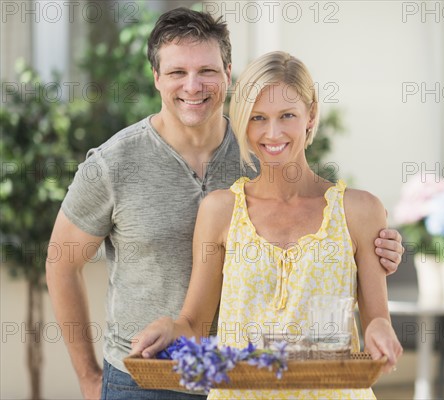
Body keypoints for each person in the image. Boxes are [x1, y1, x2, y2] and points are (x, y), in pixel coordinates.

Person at [45, 7, 404, 400]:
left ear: (227, 73)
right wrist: (89, 378)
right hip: (147, 378)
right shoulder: (115, 164)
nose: (193, 86)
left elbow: (345, 249)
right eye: (178, 72)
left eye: (207, 71)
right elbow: (62, 264)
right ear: (157, 78)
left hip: (241, 381)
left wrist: (375, 250)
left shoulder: (259, 149)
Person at [132, 51, 403, 400]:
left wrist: (381, 333)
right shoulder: (219, 210)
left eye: (287, 115)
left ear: (312, 114)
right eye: (258, 117)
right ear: (243, 121)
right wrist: (171, 328)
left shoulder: (360, 210)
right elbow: (195, 324)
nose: (272, 133)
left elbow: (377, 317)